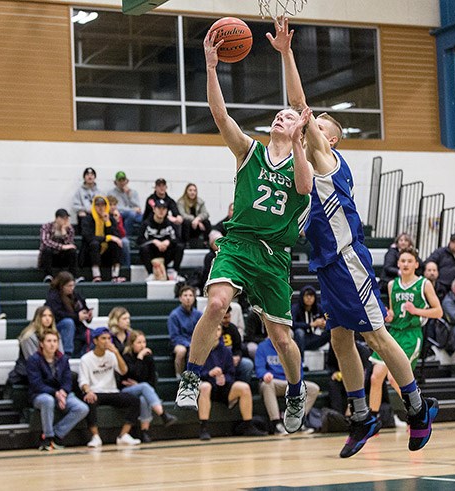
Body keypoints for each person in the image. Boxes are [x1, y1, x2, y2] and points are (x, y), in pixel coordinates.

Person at [268, 17, 437, 456]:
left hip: (347, 258)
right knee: (341, 337)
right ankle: (361, 416)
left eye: (318, 125)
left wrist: (286, 53)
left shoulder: (325, 155)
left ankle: (418, 408)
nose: (310, 127)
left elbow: (297, 102)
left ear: (332, 138)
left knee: (378, 337)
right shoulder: (304, 168)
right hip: (328, 263)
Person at [175, 28, 313, 436]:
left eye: (287, 115)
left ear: (298, 128)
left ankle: (296, 390)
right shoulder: (248, 151)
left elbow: (304, 188)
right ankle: (191, 377)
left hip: (274, 255)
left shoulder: (301, 164)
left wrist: (301, 140)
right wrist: (212, 67)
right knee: (216, 305)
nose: (279, 116)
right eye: (278, 114)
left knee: (282, 340)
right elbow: (220, 116)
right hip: (238, 244)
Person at [370, 247, 442, 420]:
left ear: (416, 264)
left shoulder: (424, 284)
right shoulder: (391, 284)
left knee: (395, 378)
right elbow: (395, 312)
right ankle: (372, 420)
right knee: (375, 377)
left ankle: (418, 411)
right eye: (403, 261)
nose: (406, 264)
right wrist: (388, 315)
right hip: (393, 333)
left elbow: (438, 311)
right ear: (398, 264)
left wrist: (416, 310)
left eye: (409, 261)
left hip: (411, 335)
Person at [196, 324, 266, 440]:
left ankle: (248, 426)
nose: (215, 332)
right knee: (206, 387)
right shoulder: (198, 349)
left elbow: (231, 373)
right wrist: (208, 374)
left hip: (222, 387)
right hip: (203, 384)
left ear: (221, 333)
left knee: (244, 388)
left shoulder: (226, 351)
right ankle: (203, 428)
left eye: (218, 329)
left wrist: (225, 378)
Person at [27, 330, 89, 451]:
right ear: (41, 344)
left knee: (82, 408)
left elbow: (67, 380)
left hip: (61, 393)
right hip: (40, 394)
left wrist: (63, 392)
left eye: (55, 341)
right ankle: (47, 438)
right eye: (49, 341)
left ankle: (57, 434)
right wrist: (55, 393)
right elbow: (36, 384)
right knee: (48, 401)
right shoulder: (34, 360)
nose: (52, 344)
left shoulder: (63, 359)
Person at [79, 327, 141, 447]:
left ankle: (123, 435)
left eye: (109, 338)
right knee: (89, 401)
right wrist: (88, 391)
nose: (107, 341)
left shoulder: (112, 355)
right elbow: (83, 381)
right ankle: (95, 437)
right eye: (103, 338)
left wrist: (117, 353)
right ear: (95, 341)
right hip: (95, 392)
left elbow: (124, 371)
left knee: (135, 401)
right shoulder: (86, 359)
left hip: (111, 391)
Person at [120, 330, 178, 443]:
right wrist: (139, 358)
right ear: (131, 344)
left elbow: (152, 380)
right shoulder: (126, 357)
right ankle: (163, 415)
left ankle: (144, 432)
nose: (142, 345)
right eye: (139, 342)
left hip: (143, 390)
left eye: (144, 342)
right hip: (126, 390)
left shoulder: (149, 358)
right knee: (144, 387)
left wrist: (139, 384)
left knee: (143, 398)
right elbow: (132, 374)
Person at [255, 337, 320, 435]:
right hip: (274, 382)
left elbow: (299, 369)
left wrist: (294, 379)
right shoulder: (263, 346)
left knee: (314, 389)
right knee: (267, 384)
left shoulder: (292, 346)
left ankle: (297, 421)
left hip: (290, 382)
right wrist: (264, 374)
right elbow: (259, 368)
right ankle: (276, 423)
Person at [46, 272, 93, 358]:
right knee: (68, 323)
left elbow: (83, 308)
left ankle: (82, 356)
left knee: (97, 335)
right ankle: (68, 353)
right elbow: (57, 314)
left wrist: (88, 315)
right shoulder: (53, 297)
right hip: (59, 325)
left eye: (73, 285)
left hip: (78, 327)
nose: (72, 288)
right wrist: (77, 317)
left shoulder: (75, 295)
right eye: (69, 286)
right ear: (61, 285)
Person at [81, 195, 125, 283]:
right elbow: (88, 237)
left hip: (106, 254)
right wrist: (108, 237)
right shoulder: (87, 219)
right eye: (98, 205)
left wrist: (107, 222)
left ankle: (115, 275)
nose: (101, 208)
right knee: (95, 243)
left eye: (103, 205)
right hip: (90, 254)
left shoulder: (111, 219)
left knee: (115, 243)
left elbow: (117, 236)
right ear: (94, 206)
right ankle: (96, 274)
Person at [138, 198, 184, 280]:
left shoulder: (170, 224)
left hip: (166, 252)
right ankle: (150, 274)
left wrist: (168, 242)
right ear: (154, 209)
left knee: (180, 247)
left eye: (164, 209)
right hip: (152, 253)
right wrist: (154, 241)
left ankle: (175, 272)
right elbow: (140, 240)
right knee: (143, 248)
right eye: (159, 208)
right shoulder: (146, 223)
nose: (161, 211)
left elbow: (178, 239)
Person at [168, 286, 203, 377]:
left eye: (191, 295)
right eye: (185, 295)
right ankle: (179, 375)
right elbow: (174, 336)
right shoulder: (174, 315)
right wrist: (188, 344)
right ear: (180, 298)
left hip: (194, 342)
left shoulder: (199, 314)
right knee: (181, 351)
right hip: (178, 343)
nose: (188, 298)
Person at [426, 234, 455, 299]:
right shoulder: (440, 252)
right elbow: (429, 262)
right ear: (450, 242)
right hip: (442, 286)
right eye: (454, 242)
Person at [38, 208, 80, 283]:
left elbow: (70, 244)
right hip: (50, 257)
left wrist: (64, 232)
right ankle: (48, 276)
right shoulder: (47, 226)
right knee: (47, 250)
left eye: (67, 218)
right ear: (57, 218)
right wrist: (61, 247)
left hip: (62, 257)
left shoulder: (69, 229)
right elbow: (45, 241)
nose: (66, 221)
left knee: (72, 251)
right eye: (63, 218)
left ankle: (74, 276)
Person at [291, 285, 329, 355]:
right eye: (306, 296)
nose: (309, 298)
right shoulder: (295, 308)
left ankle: (332, 362)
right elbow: (292, 324)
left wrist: (324, 323)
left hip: (314, 337)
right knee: (299, 332)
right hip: (300, 339)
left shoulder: (318, 308)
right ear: (302, 297)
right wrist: (311, 324)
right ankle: (301, 361)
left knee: (331, 332)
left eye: (311, 296)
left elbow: (327, 317)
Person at [219, 306, 254, 383]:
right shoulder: (214, 330)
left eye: (229, 317)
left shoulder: (233, 328)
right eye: (224, 318)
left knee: (248, 365)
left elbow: (238, 348)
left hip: (232, 360)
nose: (227, 320)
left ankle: (241, 388)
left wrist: (237, 357)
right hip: (218, 362)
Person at [105, 195, 132, 269]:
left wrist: (118, 221)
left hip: (118, 237)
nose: (113, 207)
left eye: (114, 205)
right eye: (110, 204)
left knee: (125, 242)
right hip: (107, 237)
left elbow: (123, 233)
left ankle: (126, 267)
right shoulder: (104, 215)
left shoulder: (117, 215)